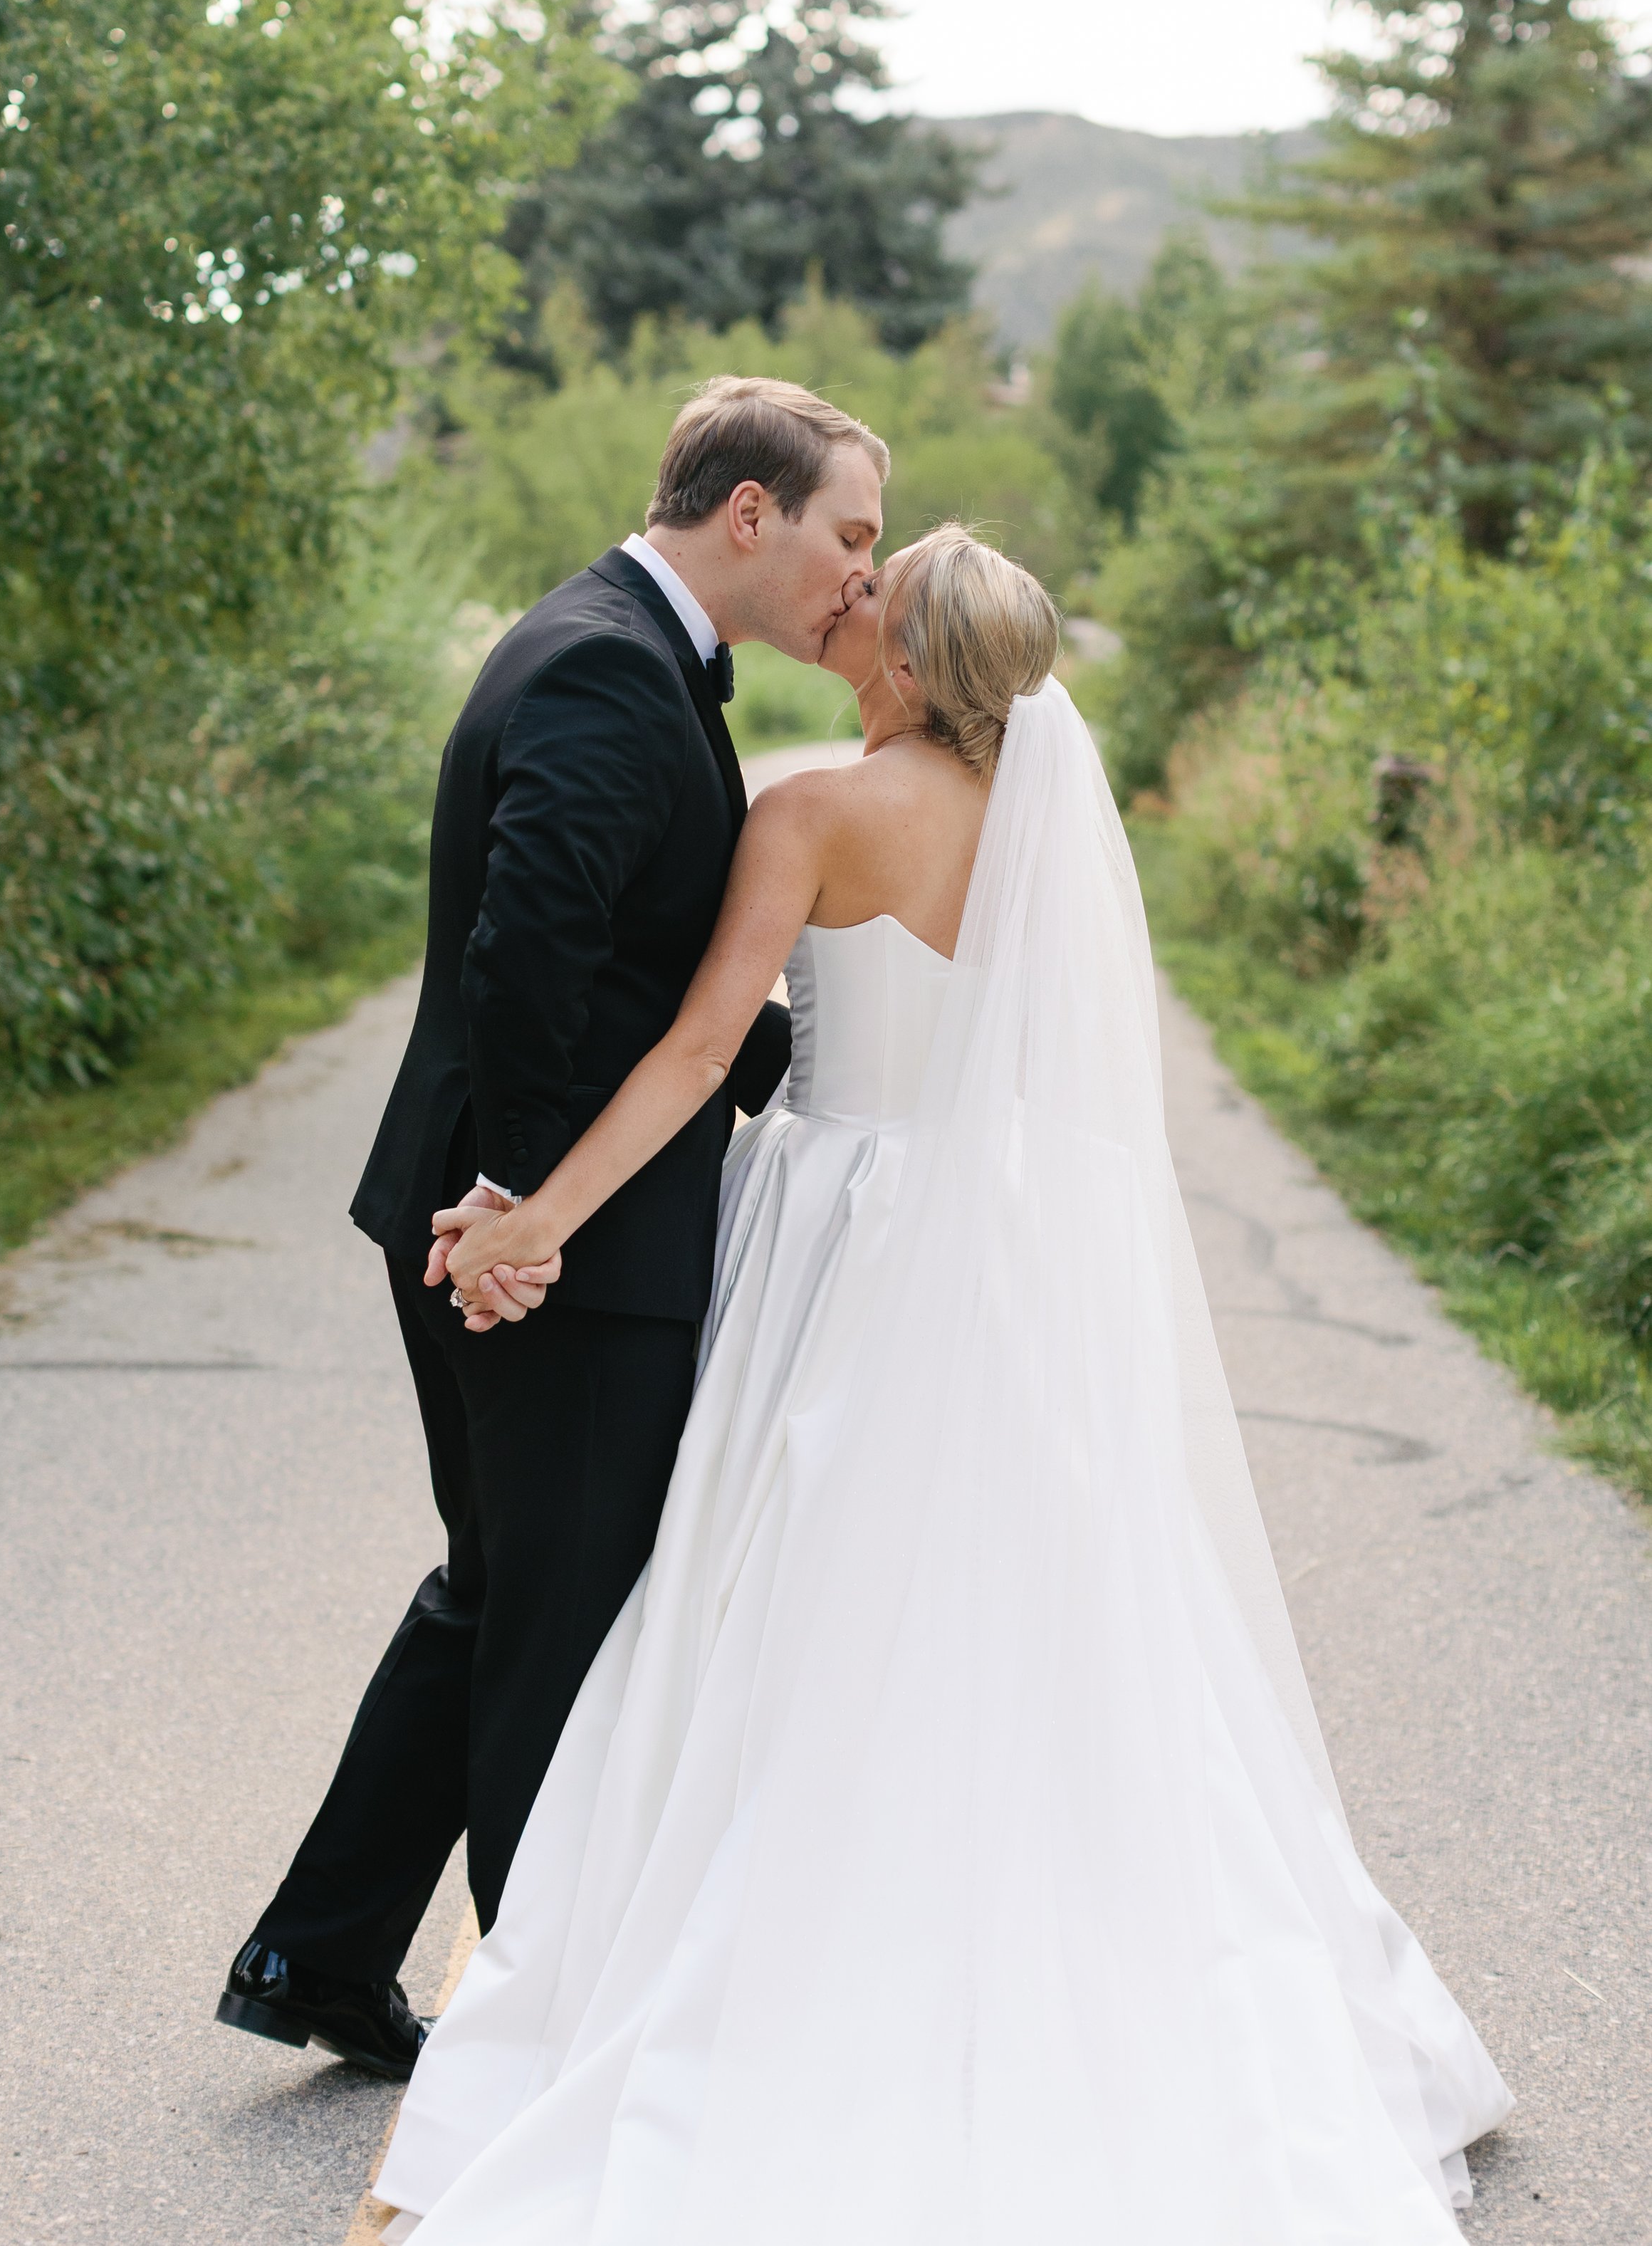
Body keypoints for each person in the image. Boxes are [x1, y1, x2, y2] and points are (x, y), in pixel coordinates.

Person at [364, 526, 1512, 2242]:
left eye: (870, 602)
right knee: (1040, 1602)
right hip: (1005, 1241)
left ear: (905, 665)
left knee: (796, 1600)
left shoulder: (812, 811)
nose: (846, 602)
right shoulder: (1041, 823)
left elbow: (694, 1057)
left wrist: (535, 1215)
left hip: (839, 1234)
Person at [214, 378, 887, 2081]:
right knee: (558, 1616)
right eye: (847, 533)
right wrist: (522, 1214)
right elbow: (526, 957)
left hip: (522, 1213)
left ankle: (319, 1951)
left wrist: (751, 1047)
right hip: (540, 1236)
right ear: (752, 514)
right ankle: (534, 2018)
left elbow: (614, 952)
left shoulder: (617, 641)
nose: (855, 576)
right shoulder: (604, 663)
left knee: (502, 1582)